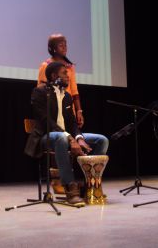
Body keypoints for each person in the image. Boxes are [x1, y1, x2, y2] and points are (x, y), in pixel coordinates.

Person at [25, 61, 109, 206]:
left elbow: (72, 123)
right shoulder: (40, 92)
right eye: (64, 73)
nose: (68, 75)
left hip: (67, 136)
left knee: (102, 140)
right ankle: (70, 187)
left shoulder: (68, 96)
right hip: (46, 136)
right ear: (54, 76)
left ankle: (90, 184)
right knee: (60, 139)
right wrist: (70, 138)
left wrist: (79, 138)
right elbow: (46, 121)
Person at [37, 34, 84, 128]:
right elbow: (40, 88)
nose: (64, 48)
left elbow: (74, 91)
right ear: (53, 48)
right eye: (61, 45)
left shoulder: (70, 67)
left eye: (65, 45)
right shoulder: (46, 65)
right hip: (53, 110)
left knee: (71, 133)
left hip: (69, 110)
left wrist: (79, 111)